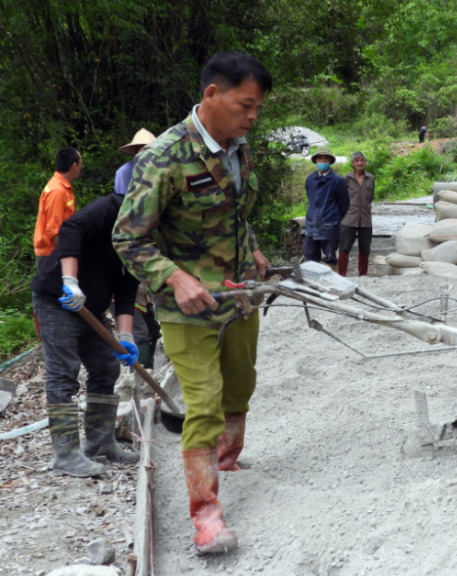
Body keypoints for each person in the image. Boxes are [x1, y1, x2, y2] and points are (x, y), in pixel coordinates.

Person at [113, 51, 273, 555]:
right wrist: (175, 278)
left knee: (240, 384)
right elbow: (128, 239)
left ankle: (224, 458)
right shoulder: (162, 157)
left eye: (257, 108)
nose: (252, 117)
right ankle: (206, 513)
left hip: (238, 291)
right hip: (186, 304)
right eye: (246, 105)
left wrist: (253, 249)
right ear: (212, 95)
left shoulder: (237, 148)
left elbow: (234, 214)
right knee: (201, 402)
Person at [32, 193, 141, 478]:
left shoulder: (146, 235)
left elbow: (127, 288)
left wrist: (126, 336)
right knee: (64, 373)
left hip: (92, 308)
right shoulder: (113, 206)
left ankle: (100, 442)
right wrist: (70, 280)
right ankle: (66, 454)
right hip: (58, 298)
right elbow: (70, 229)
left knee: (106, 368)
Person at [113, 128, 162, 367]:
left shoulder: (162, 171)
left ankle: (149, 367)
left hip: (157, 240)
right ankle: (140, 374)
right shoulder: (125, 174)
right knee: (138, 302)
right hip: (135, 242)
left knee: (152, 320)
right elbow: (124, 214)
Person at [34, 147, 81, 270]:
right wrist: (67, 254)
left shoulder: (62, 187)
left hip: (55, 251)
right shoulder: (57, 191)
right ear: (74, 166)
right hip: (51, 252)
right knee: (49, 289)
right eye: (81, 164)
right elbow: (53, 230)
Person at [304, 145, 349, 267]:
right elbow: (311, 198)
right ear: (316, 161)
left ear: (330, 161)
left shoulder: (337, 180)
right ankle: (312, 284)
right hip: (311, 225)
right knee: (310, 258)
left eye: (325, 159)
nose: (322, 161)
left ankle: (331, 284)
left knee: (330, 259)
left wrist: (333, 217)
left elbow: (344, 204)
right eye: (320, 159)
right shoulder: (310, 179)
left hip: (330, 225)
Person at [339, 151, 375, 276]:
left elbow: (370, 197)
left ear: (365, 162)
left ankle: (363, 275)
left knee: (365, 247)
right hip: (349, 218)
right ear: (353, 163)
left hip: (365, 218)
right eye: (357, 161)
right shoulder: (346, 179)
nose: (360, 163)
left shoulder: (370, 178)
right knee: (344, 247)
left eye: (362, 160)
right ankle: (341, 275)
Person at [114, 128, 156, 195]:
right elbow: (120, 200)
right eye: (143, 147)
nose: (147, 151)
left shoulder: (160, 169)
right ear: (136, 149)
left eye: (150, 148)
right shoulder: (124, 172)